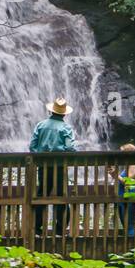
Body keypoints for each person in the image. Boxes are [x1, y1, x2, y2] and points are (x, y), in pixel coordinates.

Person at [30, 96, 76, 236]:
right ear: (64, 114)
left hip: (43, 166)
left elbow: (32, 146)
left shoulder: (40, 125)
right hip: (60, 166)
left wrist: (40, 156)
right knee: (62, 196)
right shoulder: (66, 127)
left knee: (41, 195)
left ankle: (37, 229)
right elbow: (70, 148)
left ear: (51, 111)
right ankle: (60, 230)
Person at [117, 142, 135, 237]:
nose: (121, 156)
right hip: (126, 197)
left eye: (122, 153)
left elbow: (129, 182)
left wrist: (116, 175)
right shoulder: (130, 164)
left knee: (129, 223)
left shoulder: (133, 164)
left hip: (129, 197)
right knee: (127, 222)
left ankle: (131, 244)